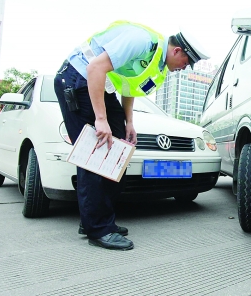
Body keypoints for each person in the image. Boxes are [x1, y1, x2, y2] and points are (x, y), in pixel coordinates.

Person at [54, 20, 210, 250]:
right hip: (78, 80)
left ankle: (96, 218)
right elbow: (94, 68)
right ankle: (97, 228)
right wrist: (100, 119)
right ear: (177, 50)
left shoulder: (156, 62)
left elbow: (128, 87)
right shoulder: (141, 41)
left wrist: (129, 123)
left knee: (118, 149)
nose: (184, 68)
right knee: (96, 155)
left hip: (99, 85)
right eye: (186, 63)